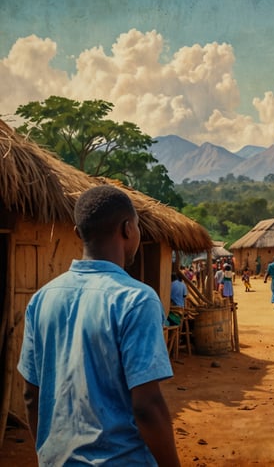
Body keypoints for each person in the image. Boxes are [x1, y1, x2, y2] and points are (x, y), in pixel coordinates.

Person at [17, 185, 180, 465]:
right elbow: (146, 406)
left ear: (78, 234)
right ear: (128, 229)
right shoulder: (136, 299)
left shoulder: (42, 298)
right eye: (138, 227)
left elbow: (31, 395)